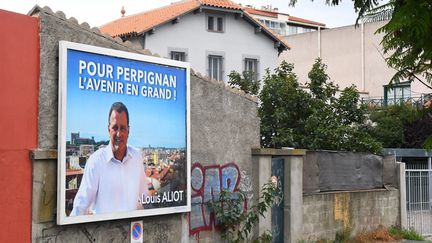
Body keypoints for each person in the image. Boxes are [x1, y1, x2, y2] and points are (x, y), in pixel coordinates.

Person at [70, 102, 149, 216]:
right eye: (115, 127)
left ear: (128, 131)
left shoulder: (137, 157)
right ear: (108, 130)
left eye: (123, 128)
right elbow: (80, 205)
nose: (119, 134)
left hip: (133, 230)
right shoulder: (95, 161)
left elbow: (145, 197)